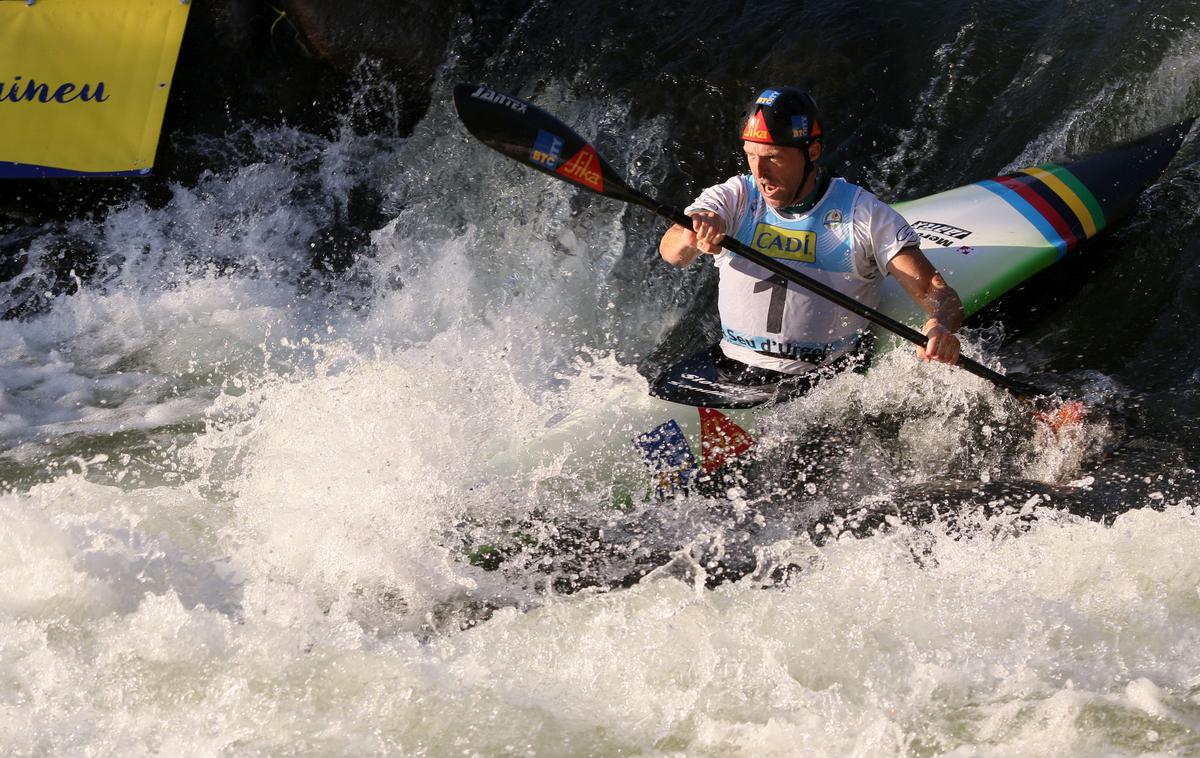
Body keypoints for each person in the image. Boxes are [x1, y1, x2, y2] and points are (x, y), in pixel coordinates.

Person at [658, 86, 963, 394]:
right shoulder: (736, 196)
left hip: (817, 385)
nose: (759, 172)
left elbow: (937, 293)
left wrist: (940, 326)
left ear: (812, 152)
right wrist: (691, 234)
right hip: (728, 367)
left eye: (773, 157)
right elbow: (672, 253)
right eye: (751, 156)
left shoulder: (861, 214)